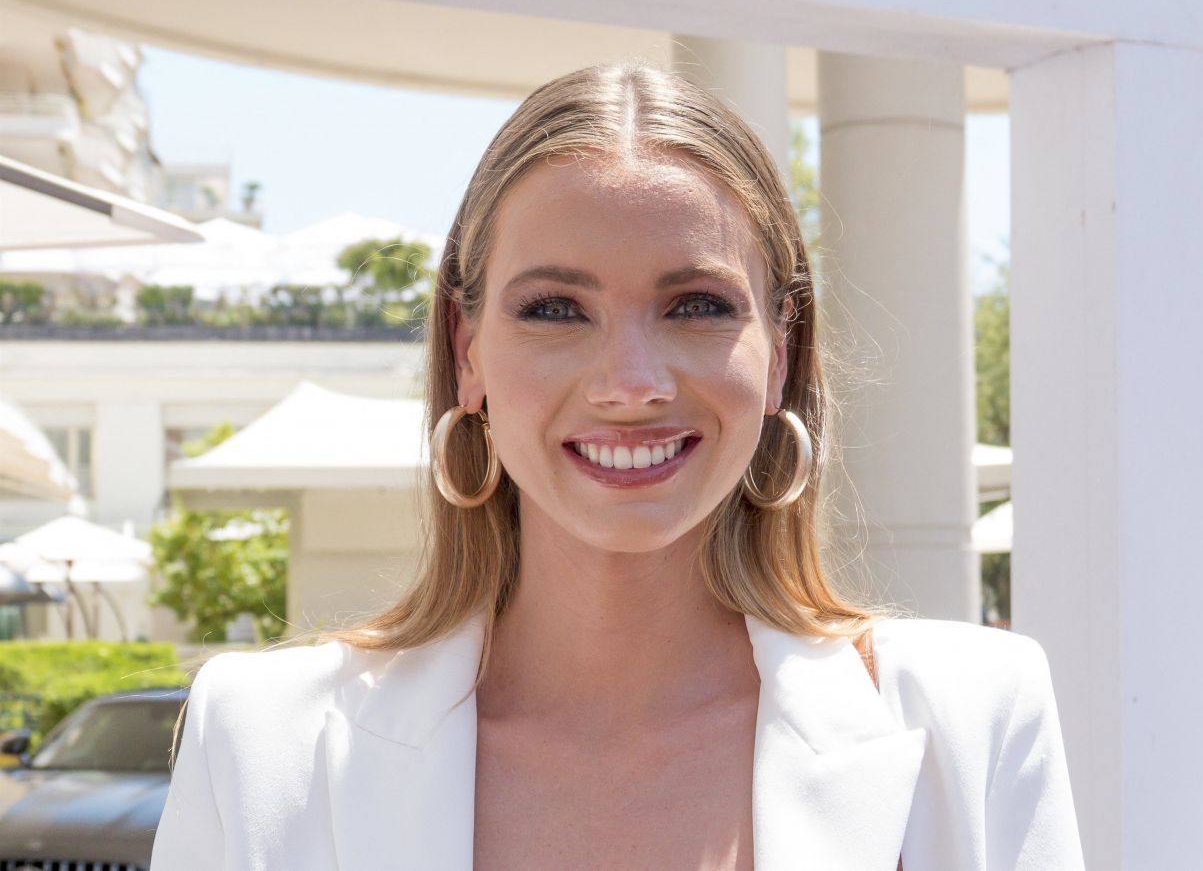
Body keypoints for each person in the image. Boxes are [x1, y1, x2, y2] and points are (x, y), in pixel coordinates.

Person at [151, 60, 1085, 870]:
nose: (630, 384)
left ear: (783, 354)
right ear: (466, 348)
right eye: (556, 309)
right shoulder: (261, 744)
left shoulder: (975, 723)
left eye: (697, 306)